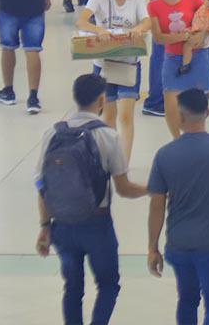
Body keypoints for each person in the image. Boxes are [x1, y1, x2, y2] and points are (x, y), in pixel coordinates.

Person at [35, 73, 148, 325]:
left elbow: (41, 184)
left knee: (72, 287)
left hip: (62, 225)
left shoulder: (52, 134)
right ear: (101, 100)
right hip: (97, 225)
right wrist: (151, 189)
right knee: (108, 284)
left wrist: (44, 227)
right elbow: (124, 188)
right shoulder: (107, 136)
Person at [146, 88, 209, 325]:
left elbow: (156, 206)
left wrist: (153, 247)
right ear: (208, 112)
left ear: (180, 116)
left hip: (179, 243)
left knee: (187, 299)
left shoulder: (165, 155)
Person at [76, 0, 152, 168]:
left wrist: (138, 28)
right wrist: (99, 30)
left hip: (129, 63)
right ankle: (110, 158)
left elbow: (147, 22)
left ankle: (123, 163)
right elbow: (81, 22)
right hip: (104, 64)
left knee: (126, 116)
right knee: (108, 115)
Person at [148, 0, 209, 140]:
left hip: (197, 56)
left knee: (199, 104)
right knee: (170, 104)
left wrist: (202, 33)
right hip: (172, 58)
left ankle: (199, 137)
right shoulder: (153, 6)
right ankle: (177, 140)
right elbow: (158, 38)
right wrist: (183, 36)